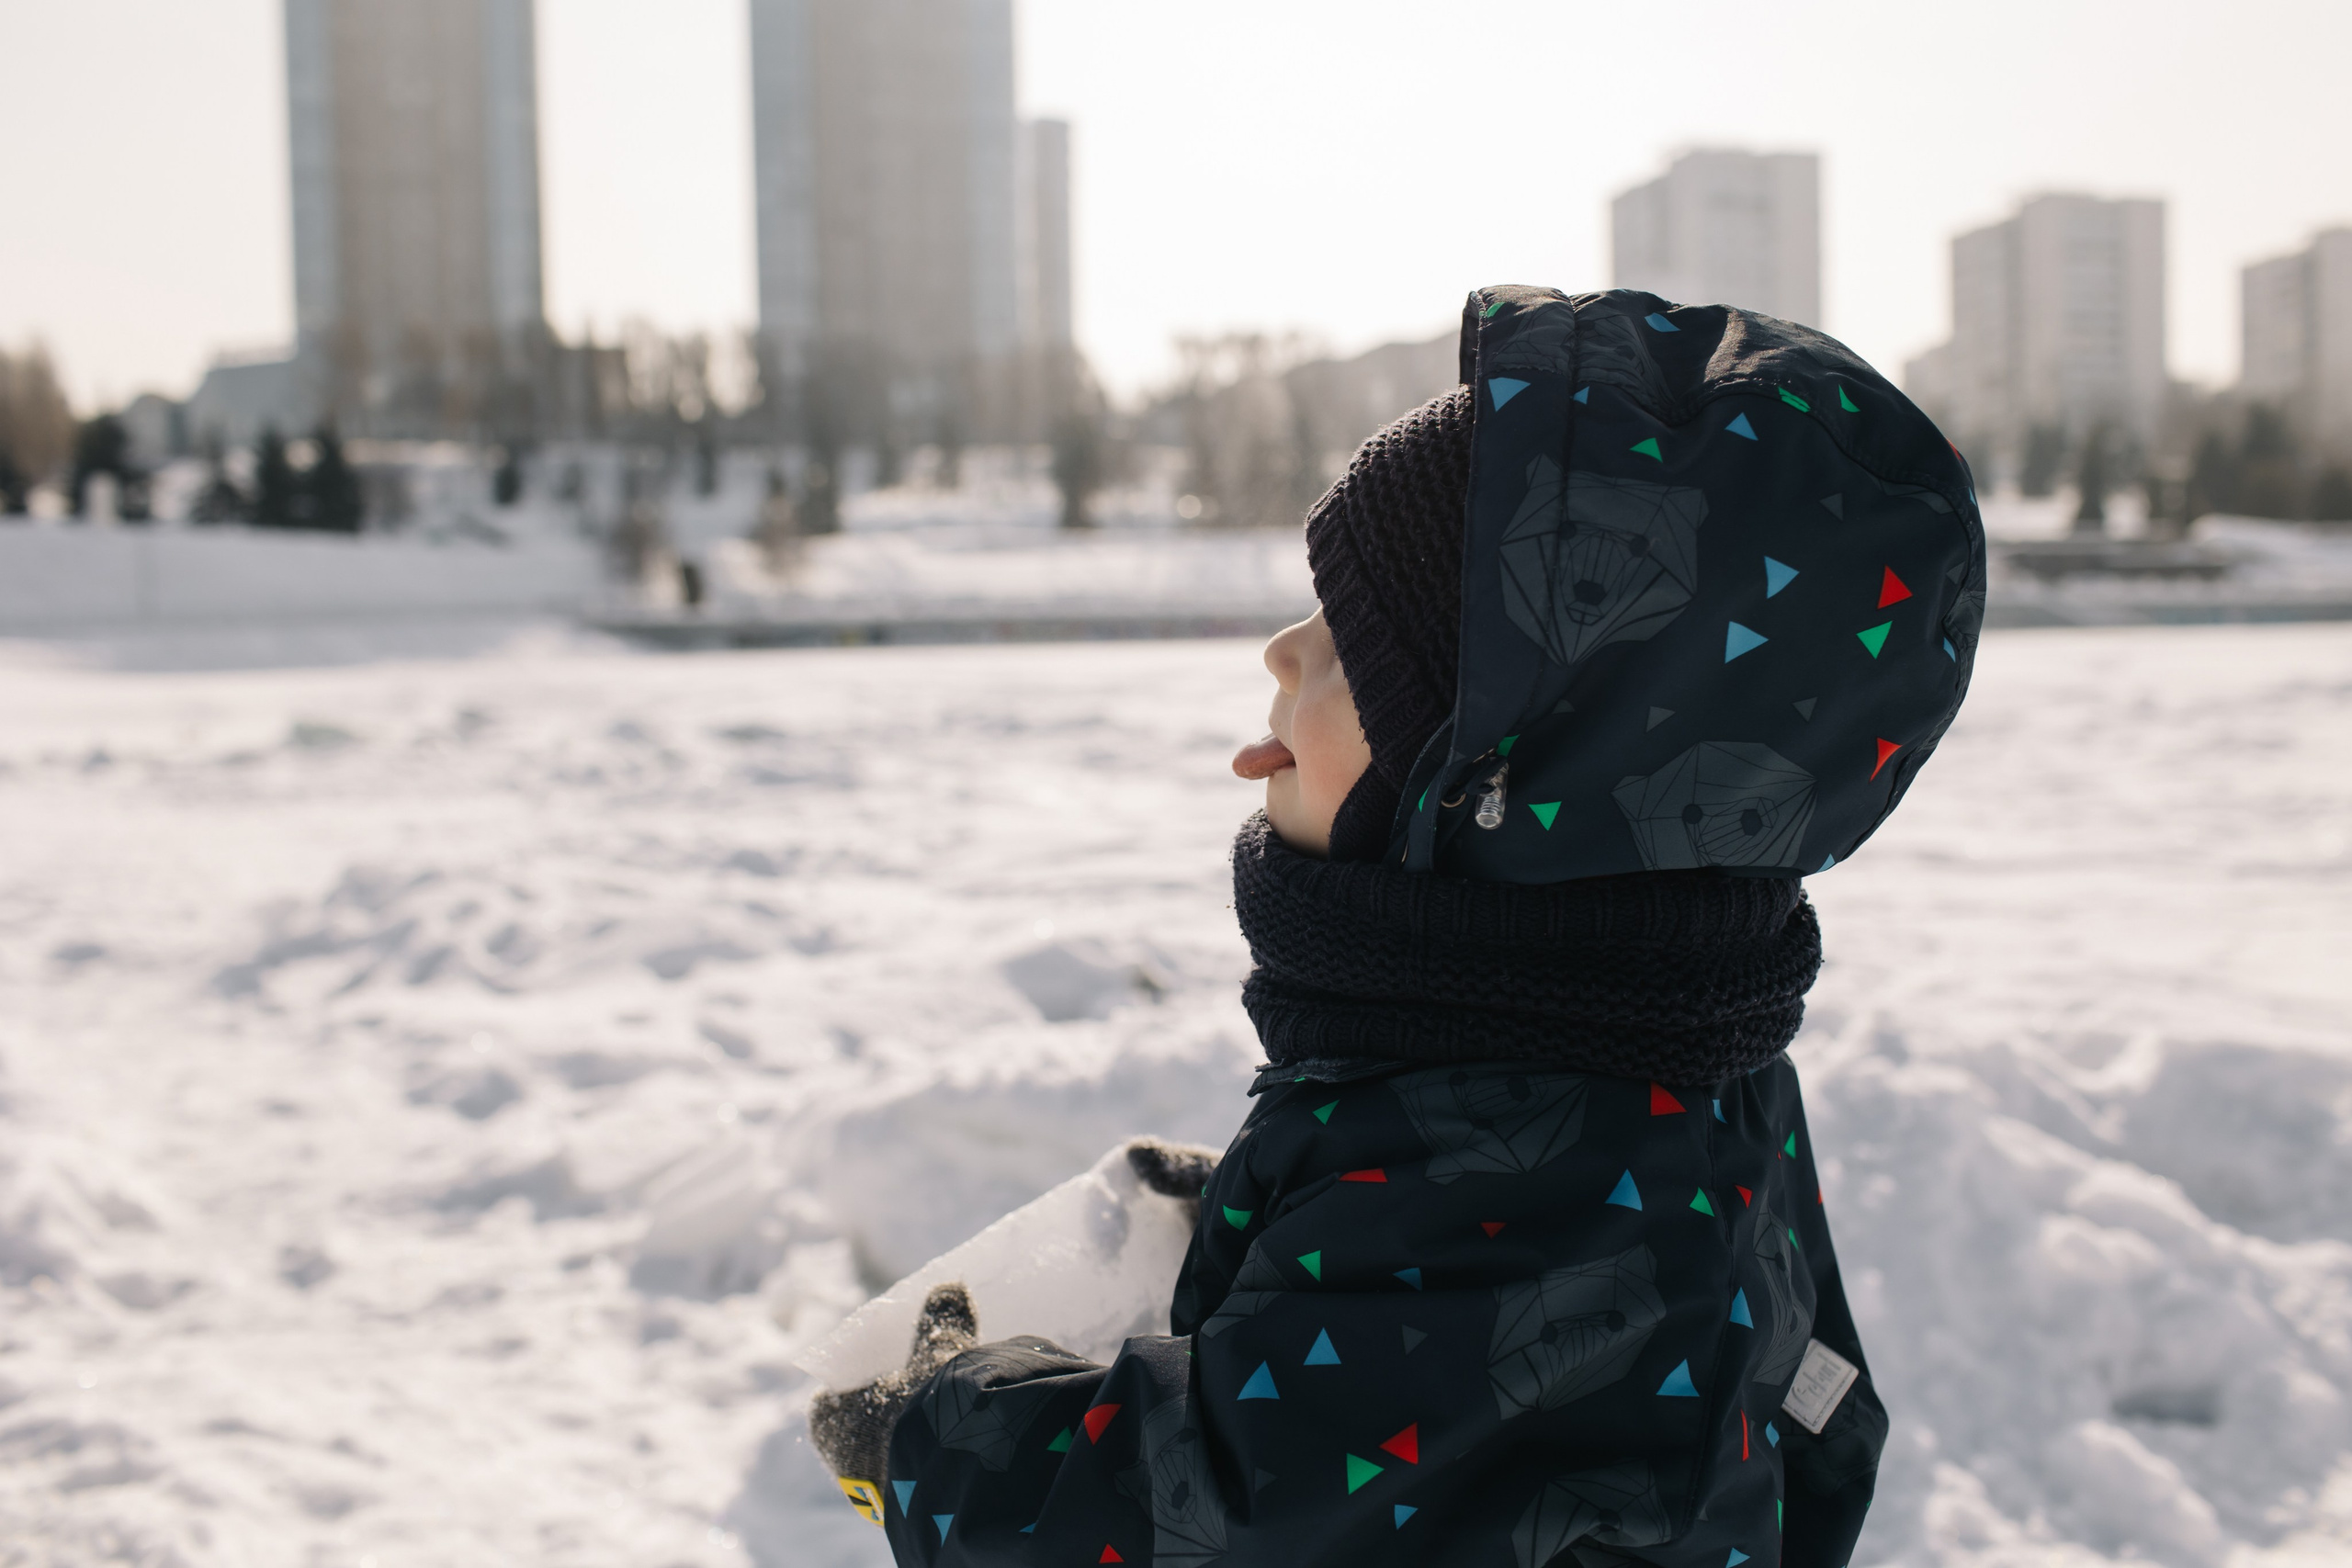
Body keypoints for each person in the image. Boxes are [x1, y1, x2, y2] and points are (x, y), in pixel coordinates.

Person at [809, 286, 1986, 1567]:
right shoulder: (1649, 1057)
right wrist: (1269, 1224)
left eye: (1350, 644)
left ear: (1502, 780)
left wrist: (939, 1439)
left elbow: (1219, 1534)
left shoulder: (1517, 1178)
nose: (1282, 649)